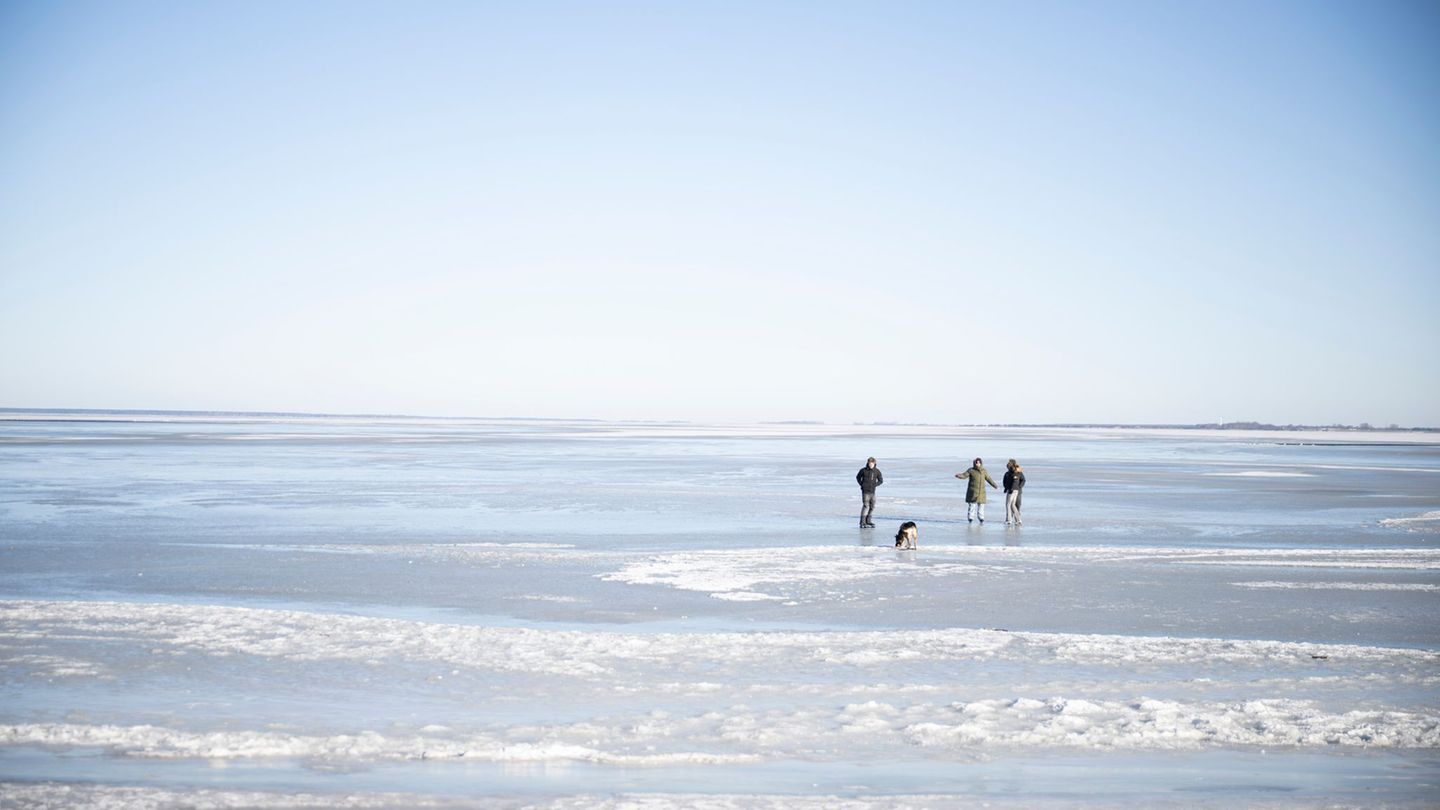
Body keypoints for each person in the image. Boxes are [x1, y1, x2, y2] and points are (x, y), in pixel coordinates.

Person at [954, 457, 998, 523]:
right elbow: (964, 475)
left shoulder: (984, 471)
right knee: (972, 505)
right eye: (976, 462)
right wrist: (959, 476)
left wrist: (994, 485)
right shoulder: (971, 470)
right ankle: (970, 518)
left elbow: (988, 478)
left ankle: (981, 518)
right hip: (973, 492)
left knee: (981, 506)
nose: (978, 464)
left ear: (981, 463)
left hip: (981, 492)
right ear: (974, 463)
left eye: (979, 462)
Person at [856, 457, 883, 528]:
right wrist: (862, 484)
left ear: (874, 463)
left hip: (872, 492)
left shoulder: (877, 471)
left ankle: (868, 521)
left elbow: (881, 480)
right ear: (868, 463)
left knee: (872, 506)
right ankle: (862, 522)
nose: (871, 465)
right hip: (865, 491)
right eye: (869, 463)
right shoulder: (863, 470)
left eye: (872, 463)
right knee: (866, 506)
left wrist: (875, 485)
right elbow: (858, 477)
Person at [1003, 459, 1026, 526]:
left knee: (1009, 504)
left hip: (1016, 491)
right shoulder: (1007, 473)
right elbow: (1005, 482)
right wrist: (1006, 488)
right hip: (1012, 490)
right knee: (1012, 505)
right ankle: (1016, 519)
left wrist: (1019, 487)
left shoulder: (1017, 472)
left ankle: (1010, 520)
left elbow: (1021, 480)